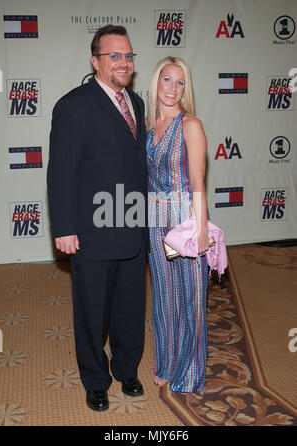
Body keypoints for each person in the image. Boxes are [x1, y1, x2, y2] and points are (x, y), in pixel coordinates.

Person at [47, 25, 148, 411]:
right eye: (115, 56)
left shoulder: (136, 103)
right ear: (96, 61)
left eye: (128, 55)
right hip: (91, 230)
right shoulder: (73, 104)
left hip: (132, 224)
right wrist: (65, 227)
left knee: (130, 306)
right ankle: (95, 379)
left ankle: (127, 370)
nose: (124, 62)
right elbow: (61, 172)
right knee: (92, 310)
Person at [146, 57, 209, 393]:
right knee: (164, 297)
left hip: (184, 219)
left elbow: (199, 182)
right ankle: (167, 363)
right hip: (153, 220)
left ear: (186, 89)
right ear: (156, 82)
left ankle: (189, 368)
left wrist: (200, 231)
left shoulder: (191, 126)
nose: (172, 88)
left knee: (191, 297)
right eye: (166, 80)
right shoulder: (146, 124)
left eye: (179, 82)